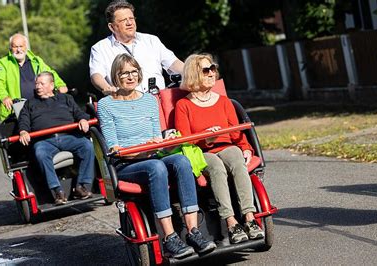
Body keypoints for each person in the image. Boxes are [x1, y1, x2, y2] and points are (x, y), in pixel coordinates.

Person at [97, 54, 216, 259]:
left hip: (152, 156)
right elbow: (114, 147)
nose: (131, 76)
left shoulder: (150, 101)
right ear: (116, 76)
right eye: (125, 72)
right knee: (156, 167)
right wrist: (143, 150)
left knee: (181, 161)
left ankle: (193, 232)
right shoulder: (106, 105)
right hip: (127, 163)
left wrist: (158, 144)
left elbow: (155, 137)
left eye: (134, 72)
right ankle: (170, 238)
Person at [174, 54, 265, 244]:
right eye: (206, 70)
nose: (211, 73)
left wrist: (246, 148)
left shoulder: (224, 101)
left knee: (237, 159)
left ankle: (249, 218)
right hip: (202, 152)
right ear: (193, 74)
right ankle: (231, 222)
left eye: (213, 68)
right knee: (215, 166)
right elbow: (185, 141)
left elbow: (236, 132)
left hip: (227, 146)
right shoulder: (183, 105)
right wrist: (207, 138)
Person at [18, 72, 94, 206]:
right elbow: (24, 121)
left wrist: (83, 119)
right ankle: (57, 191)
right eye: (36, 84)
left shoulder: (66, 98)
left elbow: (79, 113)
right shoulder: (30, 104)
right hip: (45, 141)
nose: (38, 87)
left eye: (42, 83)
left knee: (87, 145)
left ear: (52, 85)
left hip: (69, 136)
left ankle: (81, 186)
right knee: (40, 152)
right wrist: (23, 131)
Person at [89, 0, 184, 95]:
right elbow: (96, 75)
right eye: (123, 20)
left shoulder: (151, 40)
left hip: (158, 102)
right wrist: (106, 88)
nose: (129, 23)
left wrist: (193, 72)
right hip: (125, 104)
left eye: (131, 18)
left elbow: (173, 63)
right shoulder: (100, 48)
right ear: (112, 27)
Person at [0, 33, 68, 121]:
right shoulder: (3, 63)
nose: (18, 49)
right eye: (15, 47)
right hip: (15, 110)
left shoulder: (36, 61)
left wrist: (60, 85)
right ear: (10, 48)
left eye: (21, 46)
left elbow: (50, 73)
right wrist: (4, 97)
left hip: (39, 107)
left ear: (26, 47)